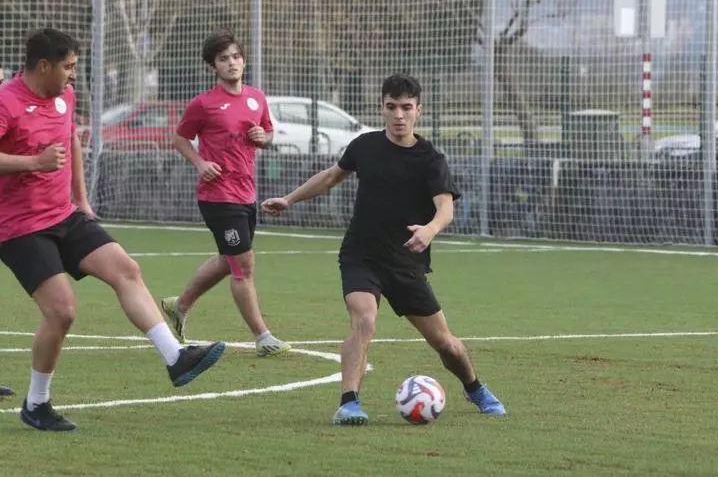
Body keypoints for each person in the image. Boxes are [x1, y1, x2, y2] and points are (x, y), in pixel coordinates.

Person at [0, 28, 226, 432]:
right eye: (68, 66)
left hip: (64, 215)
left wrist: (82, 200)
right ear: (44, 66)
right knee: (62, 312)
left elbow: (70, 141)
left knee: (126, 269)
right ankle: (37, 403)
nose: (73, 75)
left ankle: (175, 357)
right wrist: (34, 163)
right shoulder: (6, 101)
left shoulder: (65, 96)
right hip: (19, 227)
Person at [261, 73, 506, 425]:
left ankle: (475, 388)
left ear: (419, 110)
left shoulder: (431, 159)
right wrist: (289, 199)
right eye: (391, 107)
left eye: (406, 107)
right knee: (364, 320)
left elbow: (445, 208)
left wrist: (430, 230)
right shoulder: (365, 146)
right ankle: (349, 403)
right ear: (382, 108)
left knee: (446, 344)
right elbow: (330, 177)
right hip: (361, 255)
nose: (398, 115)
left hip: (405, 262)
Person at [161, 30, 290, 358]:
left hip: (246, 194)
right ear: (213, 66)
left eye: (235, 56)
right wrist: (200, 163)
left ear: (243, 60)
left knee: (227, 258)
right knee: (243, 265)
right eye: (223, 59)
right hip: (217, 196)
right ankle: (263, 337)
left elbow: (268, 132)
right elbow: (179, 139)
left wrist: (264, 137)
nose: (231, 63)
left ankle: (180, 305)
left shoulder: (256, 98)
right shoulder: (203, 104)